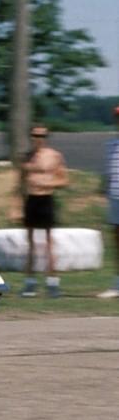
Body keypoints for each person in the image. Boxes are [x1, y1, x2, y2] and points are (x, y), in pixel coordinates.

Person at [19, 125, 69, 298]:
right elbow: (19, 183)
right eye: (34, 135)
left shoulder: (54, 156)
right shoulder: (26, 157)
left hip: (46, 198)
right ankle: (30, 283)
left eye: (41, 135)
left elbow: (64, 180)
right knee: (31, 242)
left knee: (48, 242)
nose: (38, 138)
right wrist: (15, 205)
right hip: (31, 199)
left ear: (46, 137)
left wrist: (47, 184)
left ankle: (52, 282)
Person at [97, 106, 119, 299]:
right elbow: (109, 173)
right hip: (115, 197)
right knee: (116, 241)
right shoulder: (111, 145)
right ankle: (117, 283)